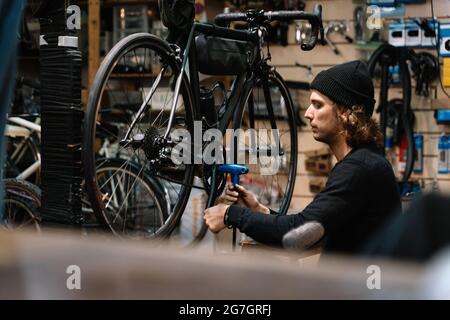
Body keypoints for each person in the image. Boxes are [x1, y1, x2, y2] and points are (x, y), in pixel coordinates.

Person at [204, 60, 402, 254]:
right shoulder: (364, 163)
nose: (307, 113)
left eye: (317, 105)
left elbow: (297, 235)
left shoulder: (358, 169)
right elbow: (315, 230)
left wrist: (231, 214)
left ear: (346, 113)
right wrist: (259, 211)